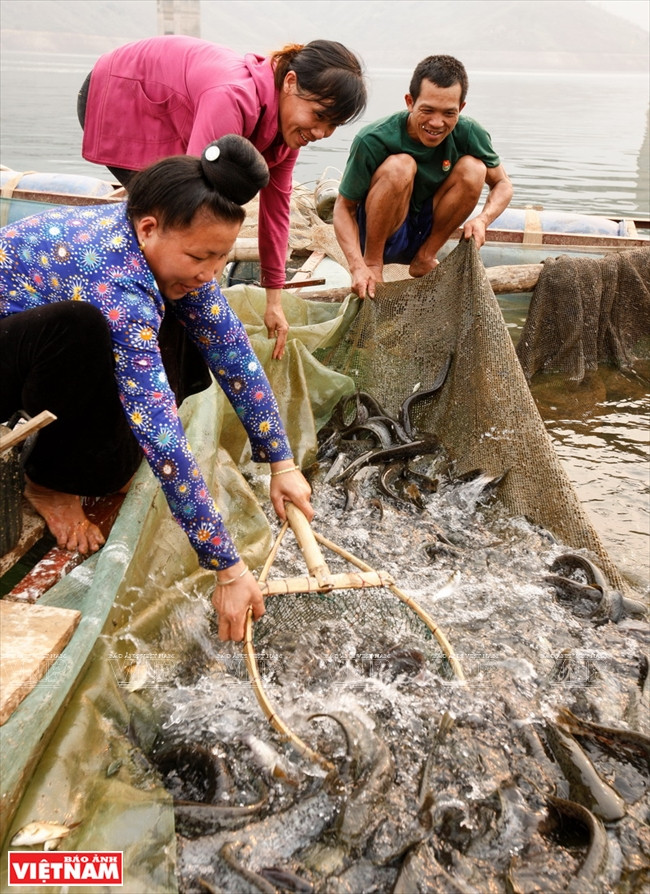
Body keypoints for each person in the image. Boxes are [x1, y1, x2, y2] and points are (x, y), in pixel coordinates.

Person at [0, 135, 313, 643]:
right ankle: (52, 480)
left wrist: (282, 463)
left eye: (221, 258)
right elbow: (161, 430)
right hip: (12, 357)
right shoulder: (114, 277)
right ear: (148, 228)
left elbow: (233, 351)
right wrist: (227, 568)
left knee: (193, 314)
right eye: (200, 257)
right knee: (79, 326)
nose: (211, 272)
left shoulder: (160, 253)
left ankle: (105, 464)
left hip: (41, 357)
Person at [77, 35, 367, 360]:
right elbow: (195, 198)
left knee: (181, 235)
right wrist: (205, 286)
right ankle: (124, 315)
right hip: (124, 92)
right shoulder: (232, 97)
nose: (320, 133)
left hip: (174, 110)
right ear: (290, 82)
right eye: (318, 116)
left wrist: (274, 300)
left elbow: (276, 212)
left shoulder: (286, 136)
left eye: (333, 125)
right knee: (165, 220)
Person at [333, 54, 514, 299]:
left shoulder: (470, 132)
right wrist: (358, 266)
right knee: (401, 166)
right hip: (383, 231)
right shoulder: (374, 138)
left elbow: (502, 184)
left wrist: (483, 219)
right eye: (427, 110)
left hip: (426, 230)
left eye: (449, 113)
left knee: (475, 169)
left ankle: (425, 257)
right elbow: (344, 207)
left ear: (460, 108)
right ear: (410, 102)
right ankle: (374, 265)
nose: (437, 123)